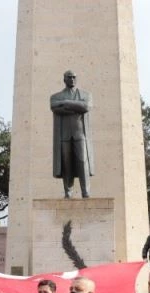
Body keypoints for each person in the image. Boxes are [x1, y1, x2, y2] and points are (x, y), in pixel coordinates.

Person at [50, 69, 94, 199]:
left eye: (74, 77)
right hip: (64, 136)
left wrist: (66, 103)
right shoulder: (56, 96)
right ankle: (68, 192)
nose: (72, 79)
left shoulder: (85, 95)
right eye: (69, 77)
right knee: (66, 164)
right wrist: (76, 108)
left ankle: (85, 192)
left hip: (80, 135)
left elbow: (85, 107)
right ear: (64, 79)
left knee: (82, 162)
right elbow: (54, 107)